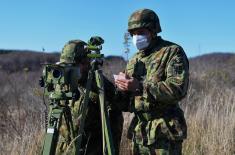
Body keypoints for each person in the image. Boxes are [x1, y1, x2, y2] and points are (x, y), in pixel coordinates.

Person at [115, 9, 189, 155]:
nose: (137, 37)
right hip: (140, 132)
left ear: (153, 30)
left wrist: (140, 87)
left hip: (164, 132)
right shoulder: (134, 60)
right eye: (133, 33)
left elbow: (177, 89)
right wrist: (121, 89)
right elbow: (129, 103)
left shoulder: (172, 52)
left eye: (141, 32)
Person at [54, 39, 123, 155]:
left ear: (85, 63)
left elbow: (115, 123)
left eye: (72, 66)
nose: (68, 71)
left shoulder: (100, 86)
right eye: (65, 66)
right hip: (66, 150)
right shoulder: (63, 84)